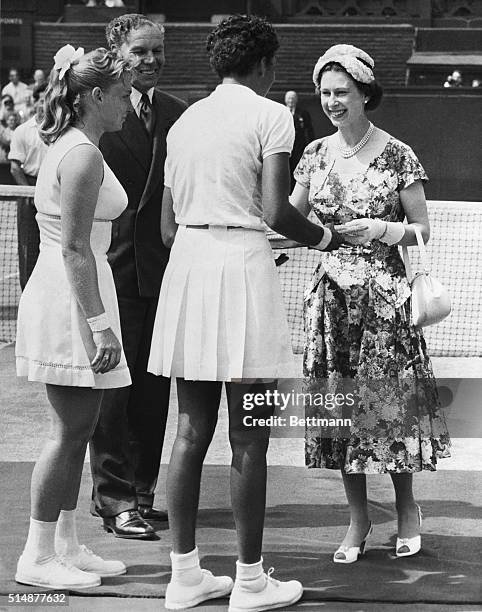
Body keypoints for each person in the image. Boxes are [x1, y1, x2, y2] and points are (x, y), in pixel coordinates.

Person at [147, 15, 342, 611]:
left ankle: (185, 578)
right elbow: (277, 211)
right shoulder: (271, 114)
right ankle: (251, 582)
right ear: (262, 66)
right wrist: (325, 239)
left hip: (189, 266)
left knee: (189, 431)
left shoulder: (183, 121)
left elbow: (166, 225)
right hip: (241, 270)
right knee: (249, 436)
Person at [290, 44, 451, 564]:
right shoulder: (313, 154)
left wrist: (380, 229)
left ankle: (407, 511)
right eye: (325, 92)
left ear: (365, 94)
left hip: (385, 301)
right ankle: (357, 519)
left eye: (342, 92)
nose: (332, 101)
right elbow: (290, 220)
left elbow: (422, 229)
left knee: (388, 412)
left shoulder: (399, 153)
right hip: (331, 304)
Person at [14, 44, 132, 589]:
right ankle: (36, 555)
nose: (129, 103)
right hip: (72, 297)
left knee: (79, 429)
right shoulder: (82, 154)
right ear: (95, 96)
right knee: (68, 432)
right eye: (123, 94)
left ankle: (65, 543)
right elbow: (75, 250)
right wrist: (101, 323)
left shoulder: (77, 145)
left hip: (77, 291)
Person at [89, 13, 187, 540]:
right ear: (117, 51)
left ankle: (142, 492)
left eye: (157, 51)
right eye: (141, 51)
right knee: (113, 396)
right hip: (111, 272)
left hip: (163, 275)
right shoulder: (96, 111)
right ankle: (113, 498)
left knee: (153, 391)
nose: (151, 61)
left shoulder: (179, 113)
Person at [9, 82, 48, 289]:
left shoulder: (61, 129)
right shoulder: (22, 131)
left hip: (53, 190)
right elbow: (15, 168)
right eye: (41, 99)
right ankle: (28, 294)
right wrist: (30, 193)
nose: (44, 104)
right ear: (35, 102)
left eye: (47, 98)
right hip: (28, 190)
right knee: (29, 247)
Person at [284, 89, 314, 188]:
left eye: (293, 98)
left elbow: (309, 129)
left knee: (297, 167)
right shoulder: (281, 112)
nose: (291, 101)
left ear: (296, 100)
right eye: (289, 98)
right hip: (284, 145)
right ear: (285, 100)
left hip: (299, 146)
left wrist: (310, 144)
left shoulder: (303, 113)